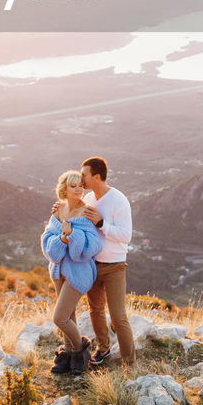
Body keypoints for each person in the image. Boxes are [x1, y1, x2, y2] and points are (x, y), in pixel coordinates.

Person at [41, 169, 104, 375]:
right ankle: (68, 355)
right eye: (73, 186)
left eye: (80, 185)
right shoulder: (59, 210)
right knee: (69, 315)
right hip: (59, 269)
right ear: (64, 190)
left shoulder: (86, 213)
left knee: (59, 318)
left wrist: (73, 234)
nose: (78, 189)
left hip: (79, 272)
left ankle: (80, 349)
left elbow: (91, 248)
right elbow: (47, 243)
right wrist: (63, 239)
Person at [79, 156, 134, 367]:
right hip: (92, 265)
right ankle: (103, 348)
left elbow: (125, 236)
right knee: (95, 310)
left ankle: (130, 364)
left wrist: (101, 223)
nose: (81, 179)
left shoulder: (118, 200)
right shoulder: (90, 199)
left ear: (97, 176)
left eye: (84, 175)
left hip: (114, 267)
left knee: (119, 317)